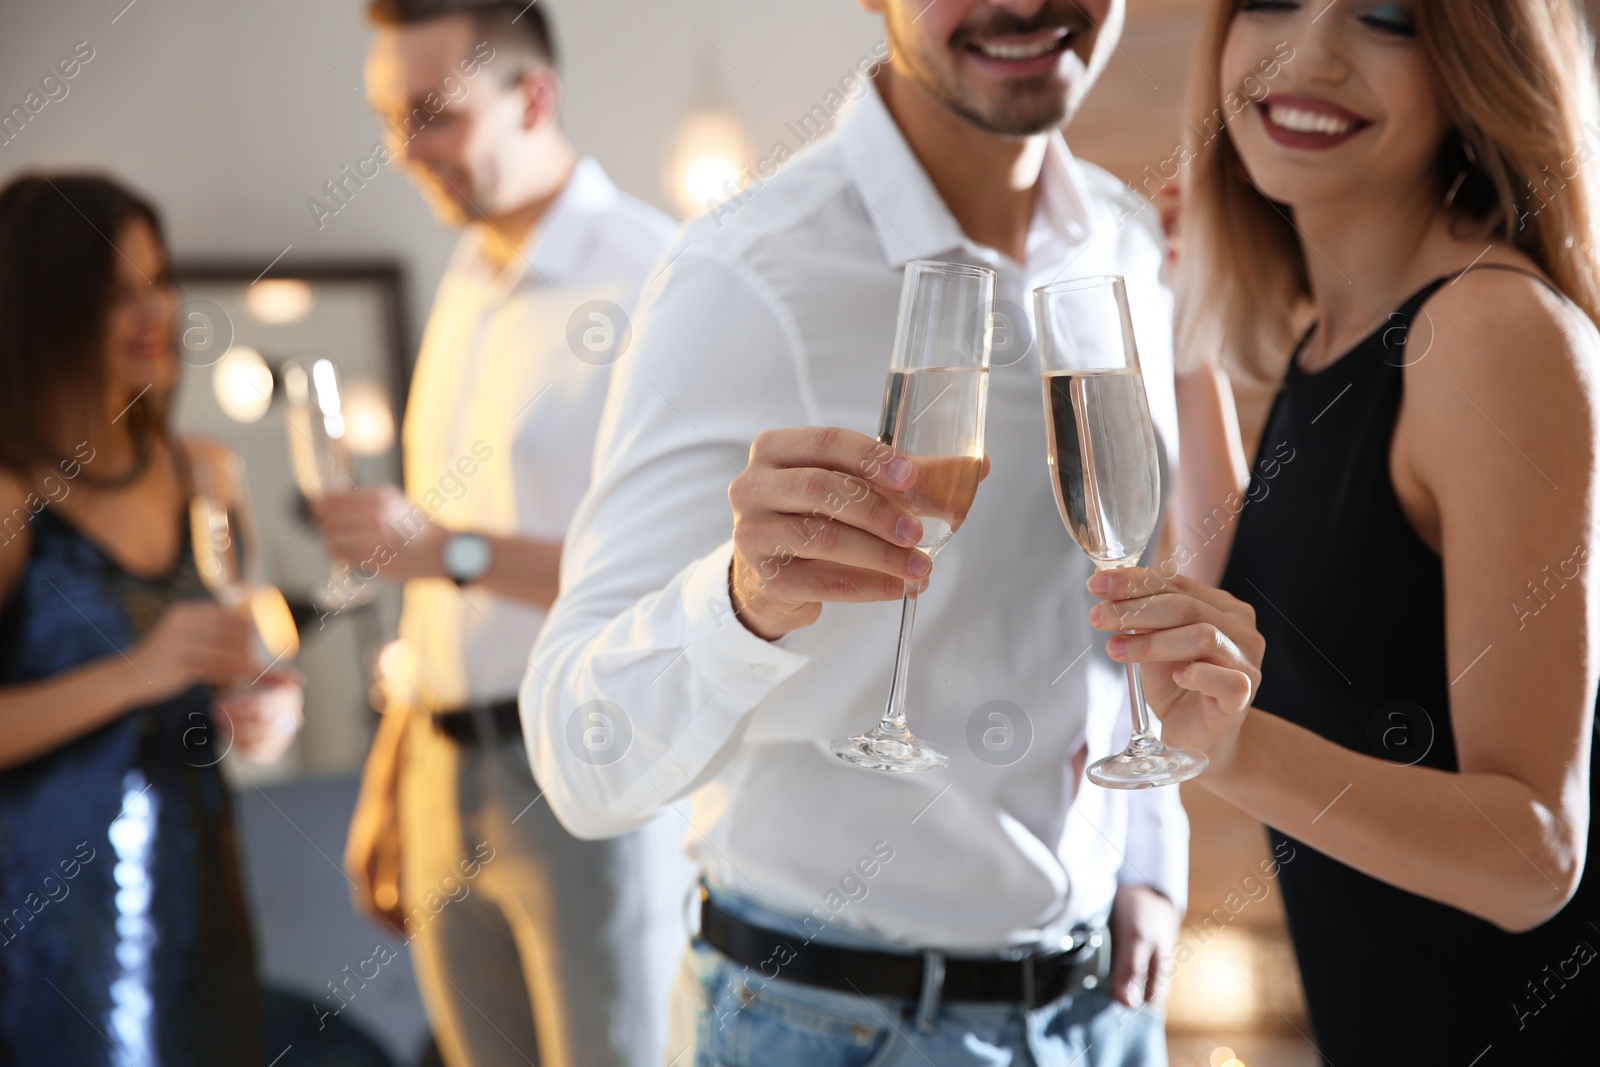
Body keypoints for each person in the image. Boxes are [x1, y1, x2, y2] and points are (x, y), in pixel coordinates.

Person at [518, 0, 1257, 1061]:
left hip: (1099, 1008)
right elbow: (577, 757)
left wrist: (1145, 849)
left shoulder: (1127, 244)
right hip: (825, 1022)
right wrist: (743, 599)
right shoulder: (744, 274)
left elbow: (1115, 601)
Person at [1088, 0, 1600, 1062]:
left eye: (1384, 17)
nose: (1304, 53)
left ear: (1473, 66)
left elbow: (1534, 856)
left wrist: (1232, 748)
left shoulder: (1487, 333)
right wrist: (1184, 334)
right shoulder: (1340, 334)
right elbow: (1242, 585)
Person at [318, 3, 692, 1066]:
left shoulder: (653, 274)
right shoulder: (468, 281)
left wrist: (447, 551)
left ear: (533, 97)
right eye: (390, 120)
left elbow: (676, 573)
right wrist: (394, 775)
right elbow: (434, 582)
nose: (405, 153)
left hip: (585, 765)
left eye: (433, 115)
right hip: (443, 770)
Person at [0, 172, 304, 1066]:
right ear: (41, 309)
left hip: (195, 894)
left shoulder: (204, 471)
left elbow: (248, 670)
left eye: (159, 280)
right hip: (43, 924)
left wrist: (267, 718)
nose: (154, 310)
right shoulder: (12, 497)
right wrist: (138, 671)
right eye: (115, 292)